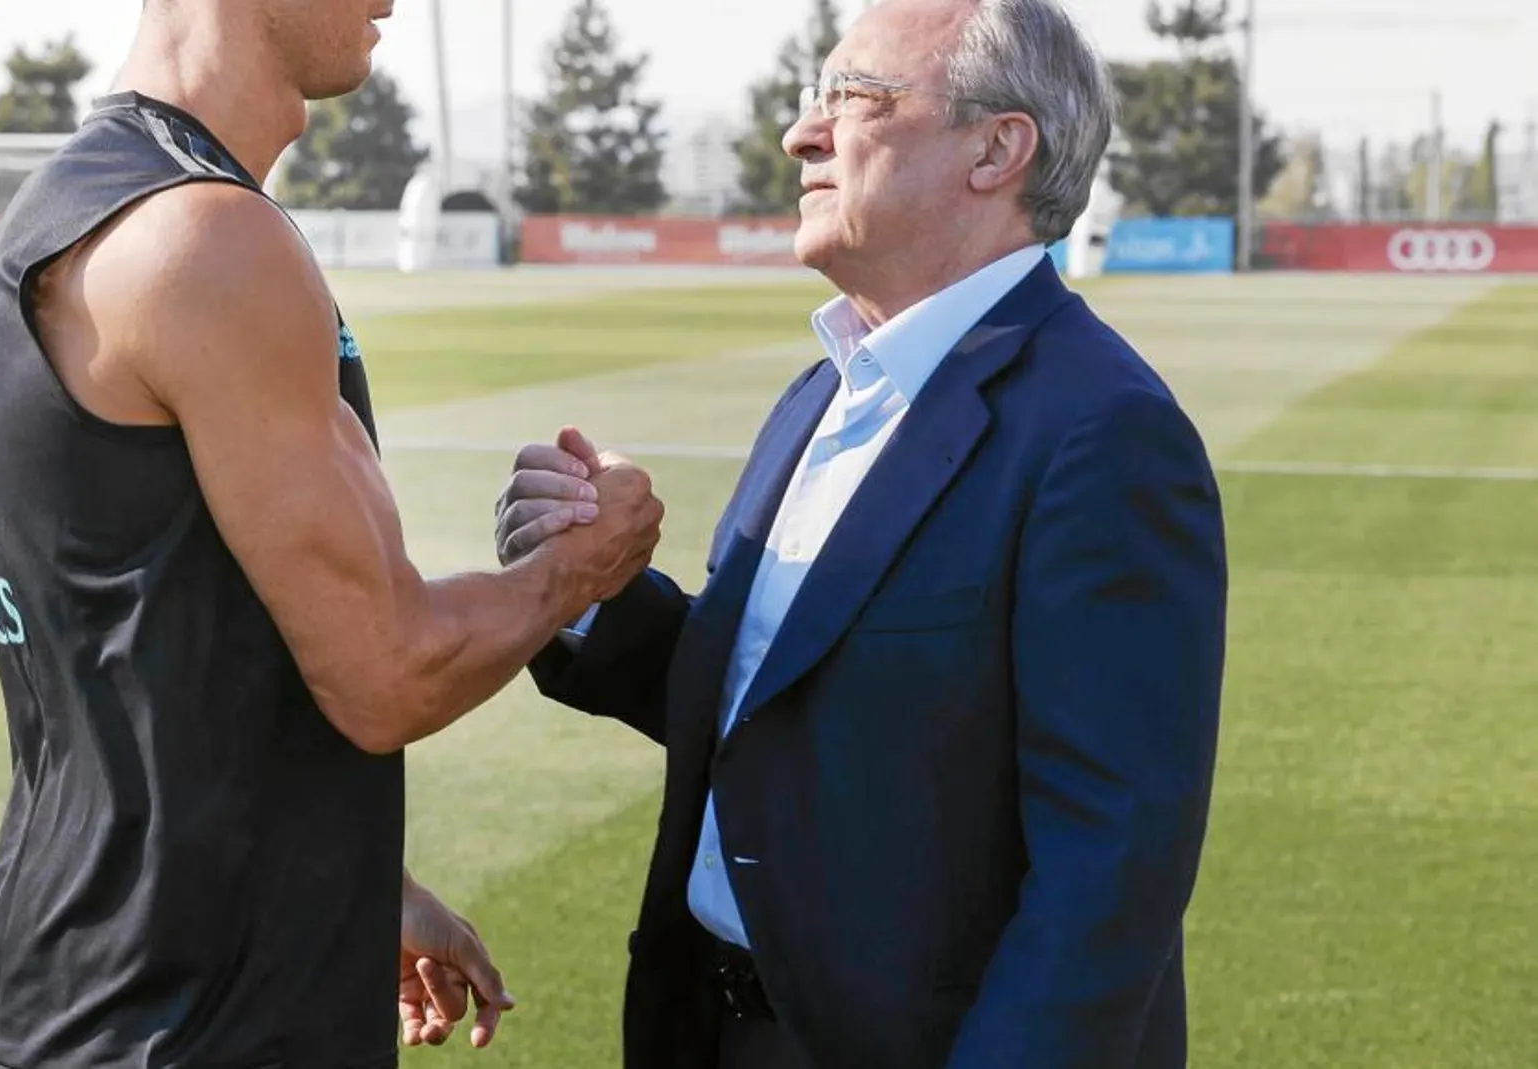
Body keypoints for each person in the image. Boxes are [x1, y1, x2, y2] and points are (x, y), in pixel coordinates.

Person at [495, 0, 1229, 1066]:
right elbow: (783, 706)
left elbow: (1110, 871)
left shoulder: (1103, 434)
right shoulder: (825, 391)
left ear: (995, 147)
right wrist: (590, 584)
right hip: (720, 1027)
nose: (801, 134)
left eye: (850, 98)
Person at [0, 1, 664, 1067]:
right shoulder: (203, 236)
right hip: (185, 1020)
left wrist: (358, 883)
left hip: (111, 986)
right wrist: (580, 565)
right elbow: (386, 670)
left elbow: (169, 645)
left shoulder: (89, 202)